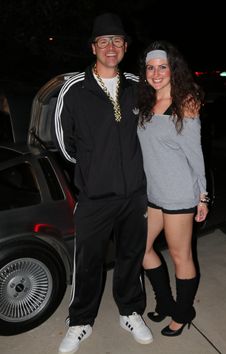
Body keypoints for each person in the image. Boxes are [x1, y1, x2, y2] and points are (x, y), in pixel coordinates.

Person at [54, 12, 153, 354]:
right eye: (104, 41)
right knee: (88, 262)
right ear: (93, 46)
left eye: (117, 41)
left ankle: (130, 311)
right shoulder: (75, 88)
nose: (111, 47)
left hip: (135, 196)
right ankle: (80, 321)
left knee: (131, 256)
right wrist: (92, 170)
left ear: (125, 46)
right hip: (95, 196)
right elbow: (63, 143)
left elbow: (156, 132)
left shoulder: (139, 86)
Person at [137, 40, 209, 337]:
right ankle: (165, 301)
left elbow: (195, 153)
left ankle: (183, 311)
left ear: (172, 69)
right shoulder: (145, 104)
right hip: (153, 194)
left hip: (179, 193)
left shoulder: (186, 102)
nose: (156, 73)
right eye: (150, 68)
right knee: (139, 248)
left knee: (181, 256)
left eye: (162, 67)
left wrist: (201, 195)